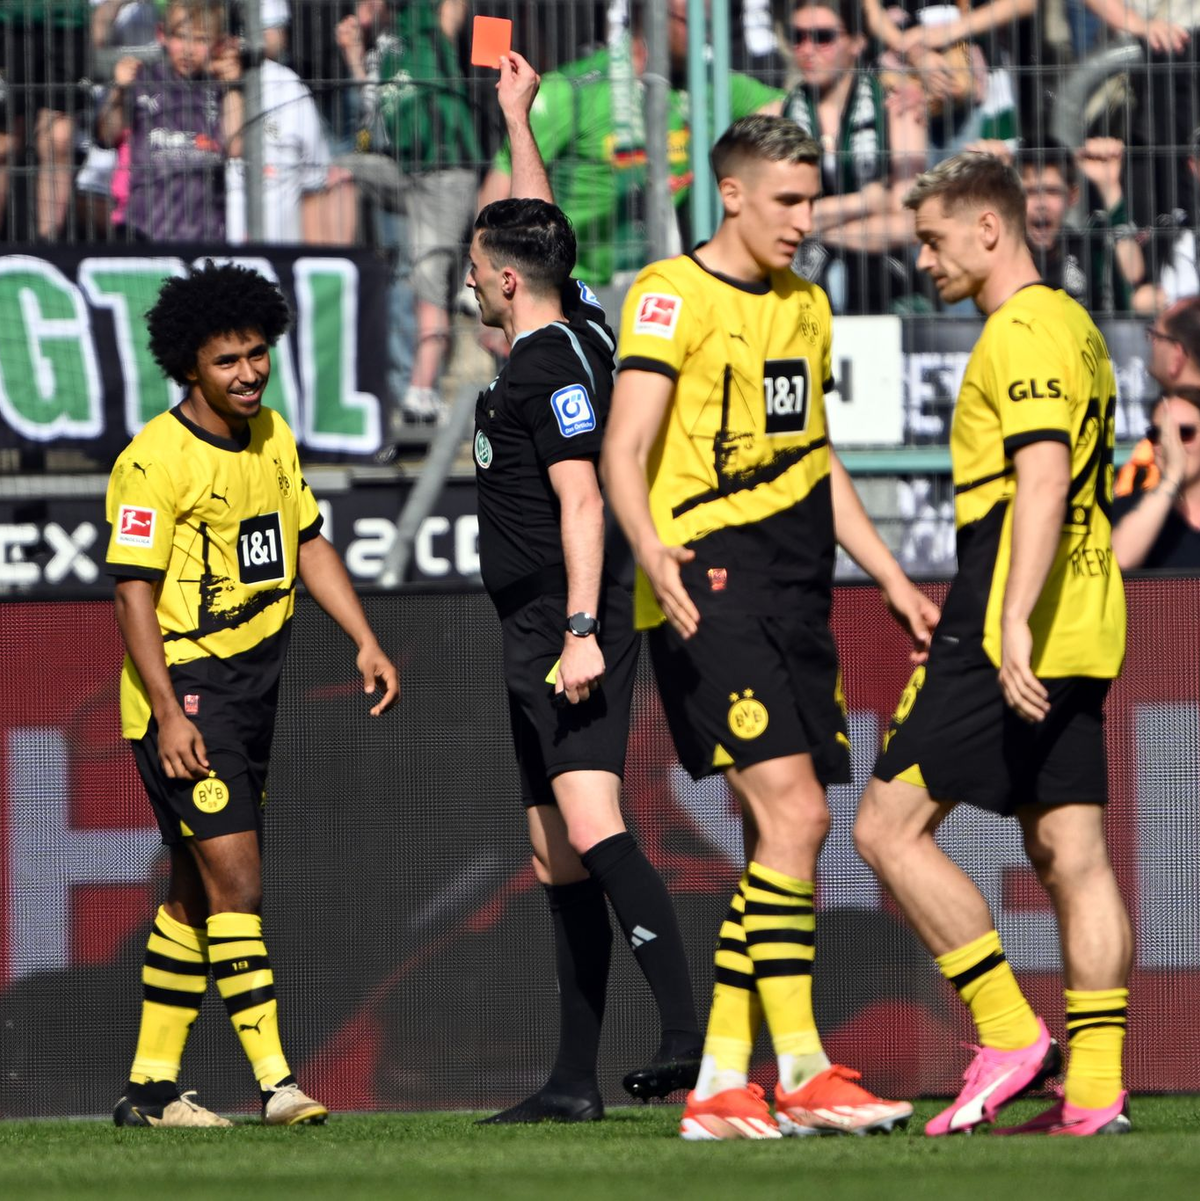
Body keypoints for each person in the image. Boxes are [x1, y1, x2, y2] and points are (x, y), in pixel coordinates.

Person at [602, 113, 936, 1140]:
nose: (806, 218)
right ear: (732, 193)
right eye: (787, 200)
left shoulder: (806, 306)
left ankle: (715, 1084)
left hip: (799, 584)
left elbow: (813, 458)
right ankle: (799, 1065)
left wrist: (888, 574)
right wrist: (649, 547)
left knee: (773, 845)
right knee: (799, 820)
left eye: (812, 196)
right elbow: (626, 446)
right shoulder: (670, 294)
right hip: (708, 576)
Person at [854, 151, 1132, 1137]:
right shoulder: (1076, 325)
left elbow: (1044, 475)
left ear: (988, 228)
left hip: (1016, 605)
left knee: (884, 828)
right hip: (1088, 613)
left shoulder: (1018, 330)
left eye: (933, 238)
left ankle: (1010, 1031)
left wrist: (1007, 616)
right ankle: (1095, 1089)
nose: (922, 258)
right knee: (1071, 851)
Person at [104, 261, 399, 1127]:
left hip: (254, 688)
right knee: (236, 882)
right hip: (187, 691)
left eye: (257, 354)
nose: (247, 372)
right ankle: (278, 1083)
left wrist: (365, 637)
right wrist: (165, 709)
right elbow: (131, 593)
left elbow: (308, 542)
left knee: (196, 895)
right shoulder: (152, 460)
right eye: (227, 359)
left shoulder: (271, 434)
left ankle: (152, 1091)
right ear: (188, 366)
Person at [468, 51, 702, 1124]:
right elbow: (536, 225)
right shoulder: (579, 318)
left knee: (594, 820)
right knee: (554, 847)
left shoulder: (547, 364)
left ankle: (687, 1032)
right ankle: (572, 1080)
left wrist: (578, 628)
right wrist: (518, 117)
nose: (471, 281)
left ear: (506, 281)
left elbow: (583, 501)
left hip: (573, 616)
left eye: (478, 272)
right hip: (536, 618)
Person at [476, 0, 784, 288]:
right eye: (693, 24)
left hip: (659, 284)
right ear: (653, 15)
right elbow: (500, 187)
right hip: (574, 286)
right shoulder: (575, 91)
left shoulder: (709, 85)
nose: (705, 36)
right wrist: (491, 281)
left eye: (709, 24)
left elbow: (784, 110)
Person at [782, 0, 924, 313]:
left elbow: (907, 223)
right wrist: (866, 203)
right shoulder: (777, 114)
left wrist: (811, 225)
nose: (808, 48)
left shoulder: (897, 112)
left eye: (823, 37)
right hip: (801, 281)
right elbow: (773, 218)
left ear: (857, 42)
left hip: (883, 281)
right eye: (798, 36)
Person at [377, 0, 480, 425]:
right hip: (402, 168)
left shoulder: (436, 25)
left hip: (445, 174)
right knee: (336, 171)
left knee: (426, 278)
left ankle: (422, 390)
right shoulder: (388, 47)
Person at [96, 0, 237, 242]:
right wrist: (118, 92)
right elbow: (107, 135)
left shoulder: (220, 88)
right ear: (162, 34)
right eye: (180, 37)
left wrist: (233, 88)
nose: (188, 49)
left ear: (219, 44)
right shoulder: (143, 79)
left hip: (205, 232)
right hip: (142, 230)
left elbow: (236, 147)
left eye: (201, 40)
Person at [0, 0, 91, 240]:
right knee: (4, 144)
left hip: (68, 22)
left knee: (59, 141)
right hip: (9, 21)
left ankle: (48, 248)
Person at [1113, 386, 1200, 568]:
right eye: (1157, 434)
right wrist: (1172, 475)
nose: (1170, 445)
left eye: (1184, 433)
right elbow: (1119, 560)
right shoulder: (1128, 510)